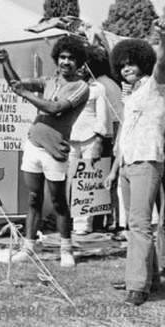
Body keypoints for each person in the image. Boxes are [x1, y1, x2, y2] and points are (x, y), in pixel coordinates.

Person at [0, 35, 89, 268]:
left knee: (58, 202)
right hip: (33, 146)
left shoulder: (81, 87)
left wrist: (25, 94)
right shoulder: (49, 80)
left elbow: (55, 108)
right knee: (34, 198)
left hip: (55, 152)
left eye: (71, 58)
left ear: (80, 63)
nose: (66, 62)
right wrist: (5, 63)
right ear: (57, 59)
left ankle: (66, 249)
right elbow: (16, 84)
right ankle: (28, 247)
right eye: (62, 57)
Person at [104, 17, 165, 306]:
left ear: (143, 61)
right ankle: (148, 279)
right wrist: (115, 169)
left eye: (131, 62)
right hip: (128, 164)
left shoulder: (155, 85)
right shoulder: (129, 96)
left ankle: (137, 286)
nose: (126, 68)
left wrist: (162, 37)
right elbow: (122, 138)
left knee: (140, 225)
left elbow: (162, 63)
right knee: (134, 224)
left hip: (147, 161)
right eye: (122, 65)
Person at [69, 49, 110, 235]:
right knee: (69, 180)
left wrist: (99, 142)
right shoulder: (68, 86)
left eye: (85, 65)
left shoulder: (98, 88)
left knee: (87, 181)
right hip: (69, 138)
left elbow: (102, 118)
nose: (81, 69)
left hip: (90, 138)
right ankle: (68, 221)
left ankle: (83, 225)